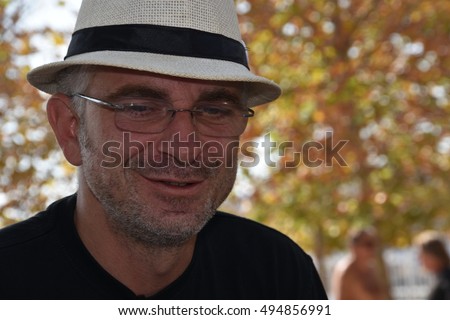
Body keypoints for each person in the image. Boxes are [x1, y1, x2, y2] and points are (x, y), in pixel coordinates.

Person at [0, 0, 327, 299]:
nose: (184, 149)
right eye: (139, 108)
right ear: (70, 127)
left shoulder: (277, 275)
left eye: (214, 110)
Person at [331, 227, 390, 299]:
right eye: (369, 244)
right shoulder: (346, 270)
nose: (373, 249)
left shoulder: (371, 269)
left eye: (375, 244)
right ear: (354, 247)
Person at [415, 230, 450, 299]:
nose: (419, 259)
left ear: (433, 255)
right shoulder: (440, 277)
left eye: (422, 255)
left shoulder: (446, 281)